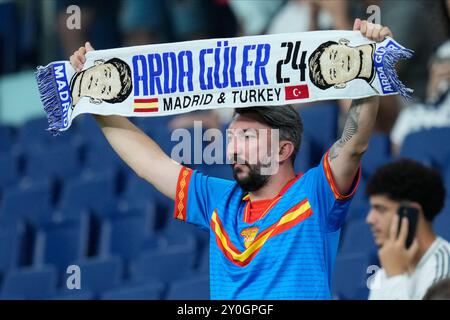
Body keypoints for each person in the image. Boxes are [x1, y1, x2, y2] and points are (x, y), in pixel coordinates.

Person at [70, 19, 388, 299]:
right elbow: (148, 163)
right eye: (232, 138)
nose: (233, 149)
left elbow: (353, 145)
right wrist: (93, 100)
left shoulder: (315, 193)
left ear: (283, 150)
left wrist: (365, 64)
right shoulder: (219, 199)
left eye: (247, 138)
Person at [366, 159, 450, 300]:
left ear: (411, 213)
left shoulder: (445, 266)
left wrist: (395, 277)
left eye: (380, 209)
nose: (369, 219)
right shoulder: (385, 270)